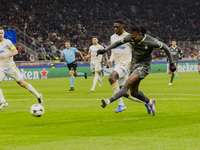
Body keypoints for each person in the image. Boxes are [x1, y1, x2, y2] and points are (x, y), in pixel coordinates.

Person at [97, 25, 176, 116]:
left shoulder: (150, 41)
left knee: (126, 84)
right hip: (134, 65)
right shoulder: (131, 37)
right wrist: (105, 50)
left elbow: (166, 47)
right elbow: (118, 43)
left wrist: (171, 63)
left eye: (134, 38)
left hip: (143, 66)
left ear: (140, 35)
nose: (132, 40)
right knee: (134, 93)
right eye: (131, 38)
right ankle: (150, 102)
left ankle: (108, 101)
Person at [0, 27, 43, 110]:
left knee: (22, 83)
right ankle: (3, 102)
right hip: (1, 68)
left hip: (10, 67)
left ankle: (38, 95)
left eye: (1, 33)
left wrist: (7, 56)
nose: (0, 35)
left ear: (3, 34)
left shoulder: (7, 42)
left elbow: (15, 51)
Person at [106, 19, 133, 113]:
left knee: (111, 78)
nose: (115, 28)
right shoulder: (112, 37)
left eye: (117, 27)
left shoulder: (129, 36)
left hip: (126, 63)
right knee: (123, 91)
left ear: (123, 26)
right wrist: (110, 60)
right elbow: (113, 50)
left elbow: (134, 50)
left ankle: (121, 104)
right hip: (117, 64)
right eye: (114, 27)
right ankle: (147, 102)